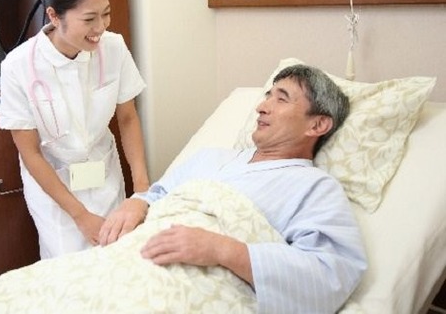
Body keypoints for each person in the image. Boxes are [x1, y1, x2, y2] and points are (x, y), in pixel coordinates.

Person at [98, 64, 368, 313]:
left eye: (281, 99)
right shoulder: (210, 157)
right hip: (129, 263)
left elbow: (330, 274)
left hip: (184, 291)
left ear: (318, 124)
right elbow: (159, 195)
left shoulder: (315, 187)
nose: (262, 107)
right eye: (268, 95)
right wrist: (138, 202)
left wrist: (222, 250)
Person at [0, 0, 150, 259]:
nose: (101, 28)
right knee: (68, 269)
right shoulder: (18, 66)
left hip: (104, 178)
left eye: (106, 14)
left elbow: (128, 118)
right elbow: (30, 153)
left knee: (116, 261)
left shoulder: (113, 47)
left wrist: (142, 191)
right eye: (89, 19)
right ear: (54, 16)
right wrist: (79, 215)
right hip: (56, 191)